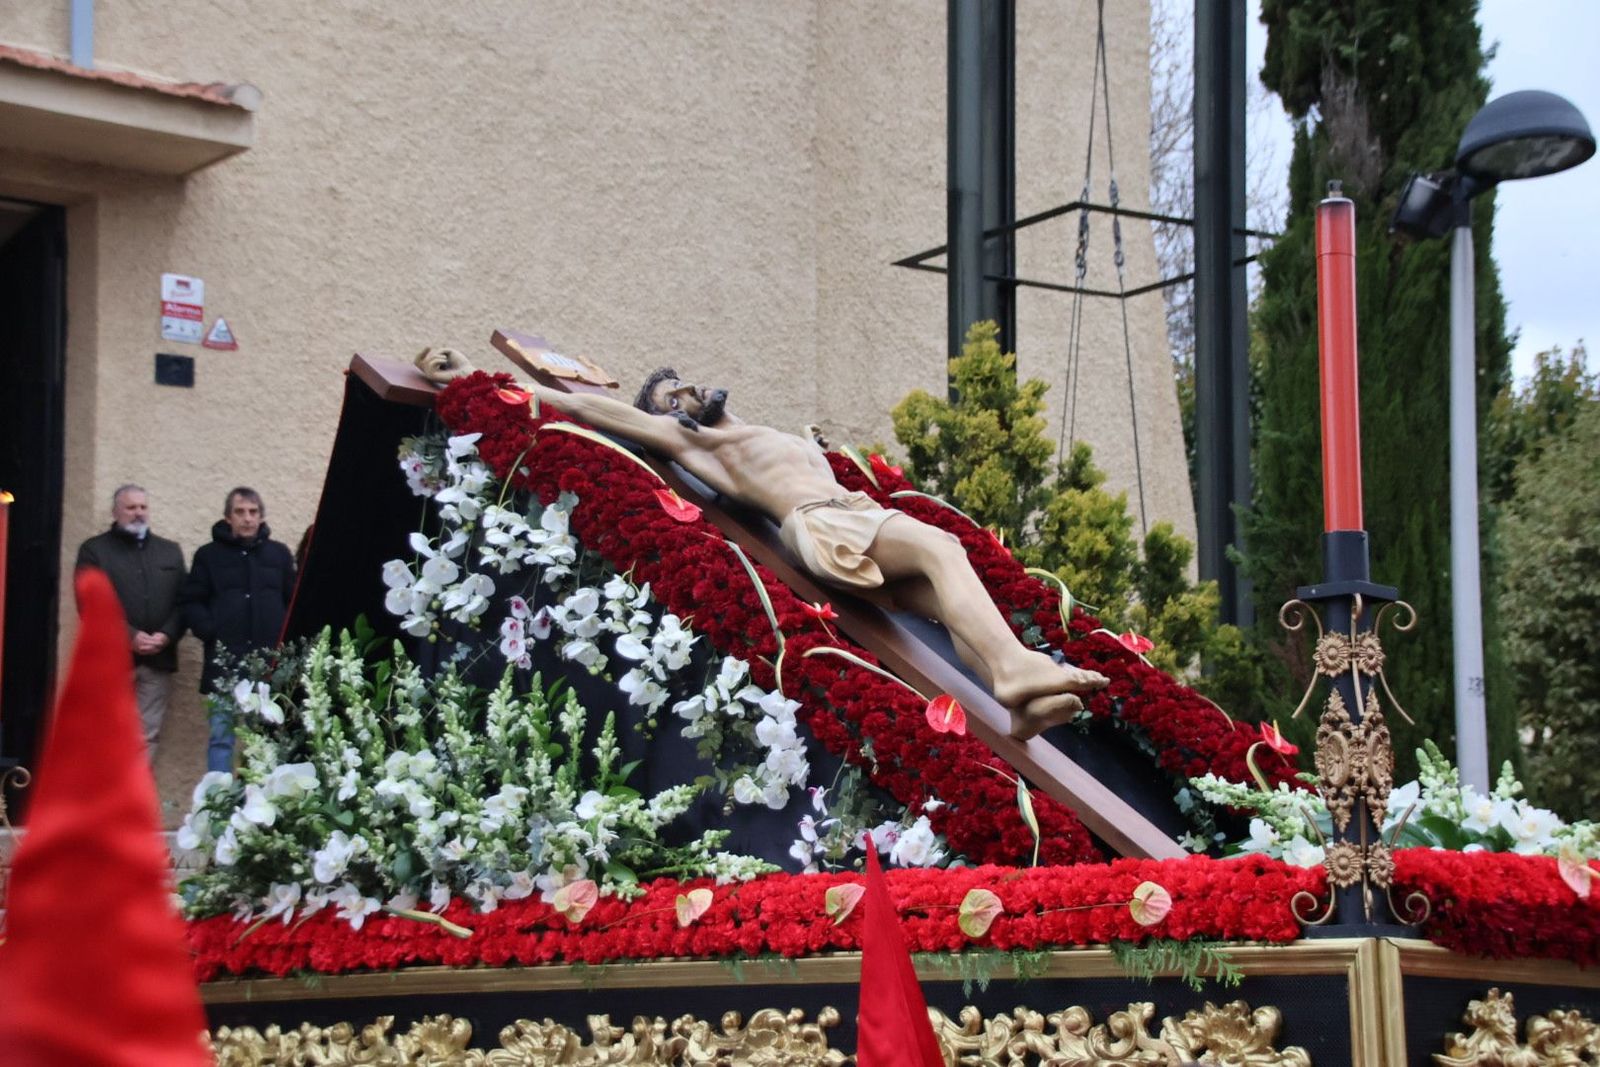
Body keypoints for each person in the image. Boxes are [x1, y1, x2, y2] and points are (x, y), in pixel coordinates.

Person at [528, 366, 1109, 740]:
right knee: (943, 548)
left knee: (942, 601)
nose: (685, 393)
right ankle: (1013, 668)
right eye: (669, 398)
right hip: (824, 525)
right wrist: (534, 393)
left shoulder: (760, 432)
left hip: (850, 514)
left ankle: (1019, 711)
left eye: (681, 382)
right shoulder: (698, 441)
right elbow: (603, 412)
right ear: (669, 418)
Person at [182, 487, 296, 771]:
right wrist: (210, 631)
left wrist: (285, 641)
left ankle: (263, 795)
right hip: (225, 665)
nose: (247, 518)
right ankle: (219, 796)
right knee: (222, 738)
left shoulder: (279, 554)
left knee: (266, 739)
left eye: (253, 512)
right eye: (240, 512)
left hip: (268, 665)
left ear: (261, 517)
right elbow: (192, 601)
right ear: (228, 518)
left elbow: (292, 600)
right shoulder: (208, 556)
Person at [74, 484, 187, 761]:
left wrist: (167, 635)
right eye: (131, 507)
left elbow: (184, 602)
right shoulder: (94, 551)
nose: (138, 513)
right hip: (111, 660)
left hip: (157, 660)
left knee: (146, 736)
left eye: (143, 507)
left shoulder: (170, 551)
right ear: (115, 512)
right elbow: (89, 603)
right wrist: (130, 636)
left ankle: (135, 790)